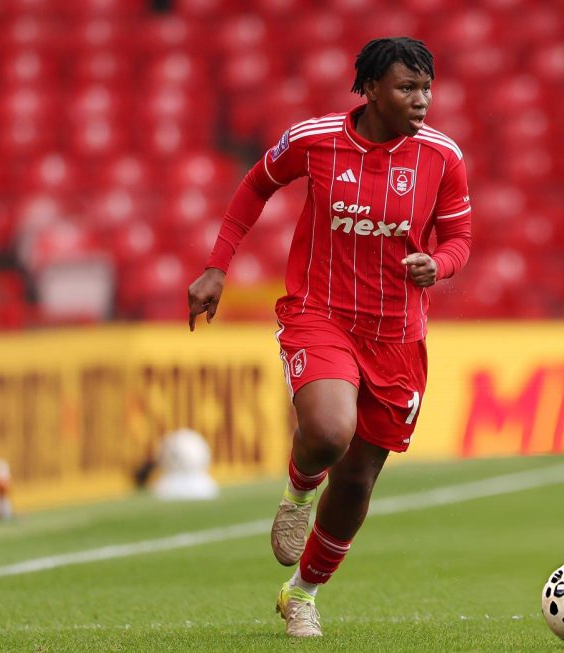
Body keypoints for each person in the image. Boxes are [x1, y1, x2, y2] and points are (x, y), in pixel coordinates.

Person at [187, 36, 472, 638]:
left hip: (397, 334)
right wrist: (218, 264)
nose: (421, 100)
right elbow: (255, 184)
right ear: (370, 89)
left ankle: (304, 593)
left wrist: (438, 265)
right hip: (321, 313)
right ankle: (296, 493)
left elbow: (459, 239)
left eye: (426, 88)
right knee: (327, 431)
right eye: (406, 88)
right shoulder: (315, 140)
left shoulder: (442, 157)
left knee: (359, 478)